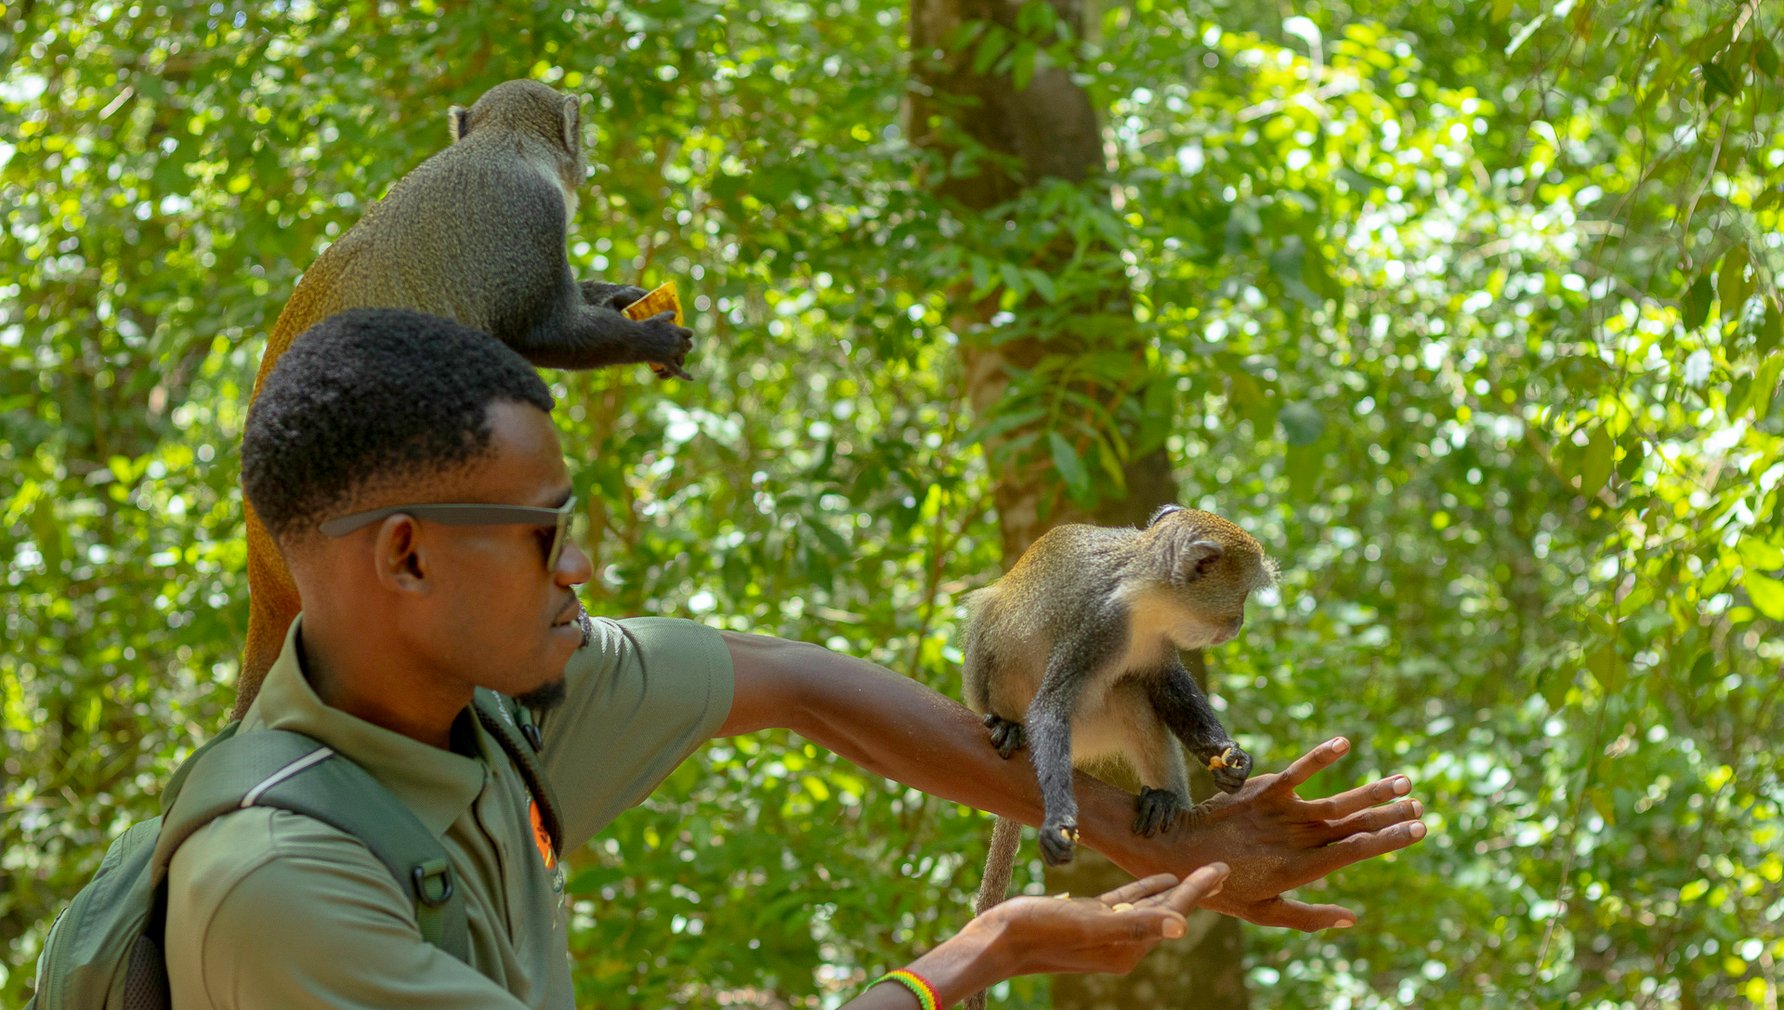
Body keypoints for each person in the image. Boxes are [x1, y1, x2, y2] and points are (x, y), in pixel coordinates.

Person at [166, 308, 1426, 1009]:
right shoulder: (284, 893)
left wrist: (1143, 831)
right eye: (544, 531)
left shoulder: (504, 705)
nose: (582, 567)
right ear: (402, 557)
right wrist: (978, 952)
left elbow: (793, 681)